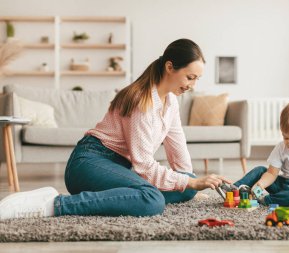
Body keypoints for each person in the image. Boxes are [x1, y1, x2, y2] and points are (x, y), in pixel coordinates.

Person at [0, 39, 231, 220]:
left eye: (196, 79)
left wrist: (189, 186)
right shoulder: (142, 100)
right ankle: (52, 203)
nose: (192, 86)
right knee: (152, 200)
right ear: (170, 67)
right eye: (190, 77)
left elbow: (179, 153)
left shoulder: (171, 102)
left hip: (121, 168)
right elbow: (143, 165)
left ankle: (121, 197)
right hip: (89, 163)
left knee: (186, 182)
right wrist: (189, 184)